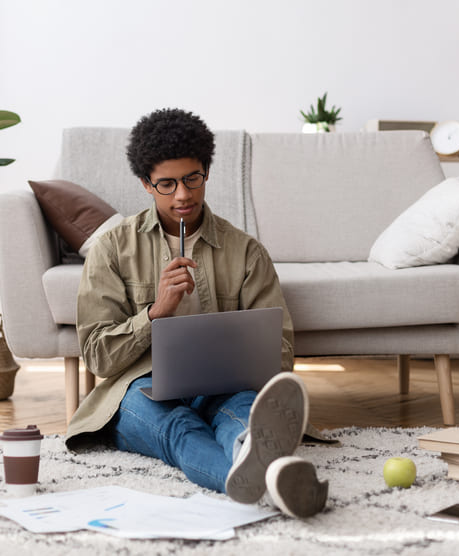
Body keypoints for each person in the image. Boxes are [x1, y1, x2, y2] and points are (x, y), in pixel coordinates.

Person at [66, 108, 327, 518]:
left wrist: (245, 361)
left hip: (224, 385)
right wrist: (155, 313)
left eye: (192, 179)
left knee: (243, 418)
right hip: (140, 388)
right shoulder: (112, 248)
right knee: (177, 429)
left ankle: (251, 452)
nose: (182, 195)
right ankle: (273, 480)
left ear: (206, 171)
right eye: (166, 185)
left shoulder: (245, 252)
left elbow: (281, 349)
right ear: (145, 184)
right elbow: (98, 356)